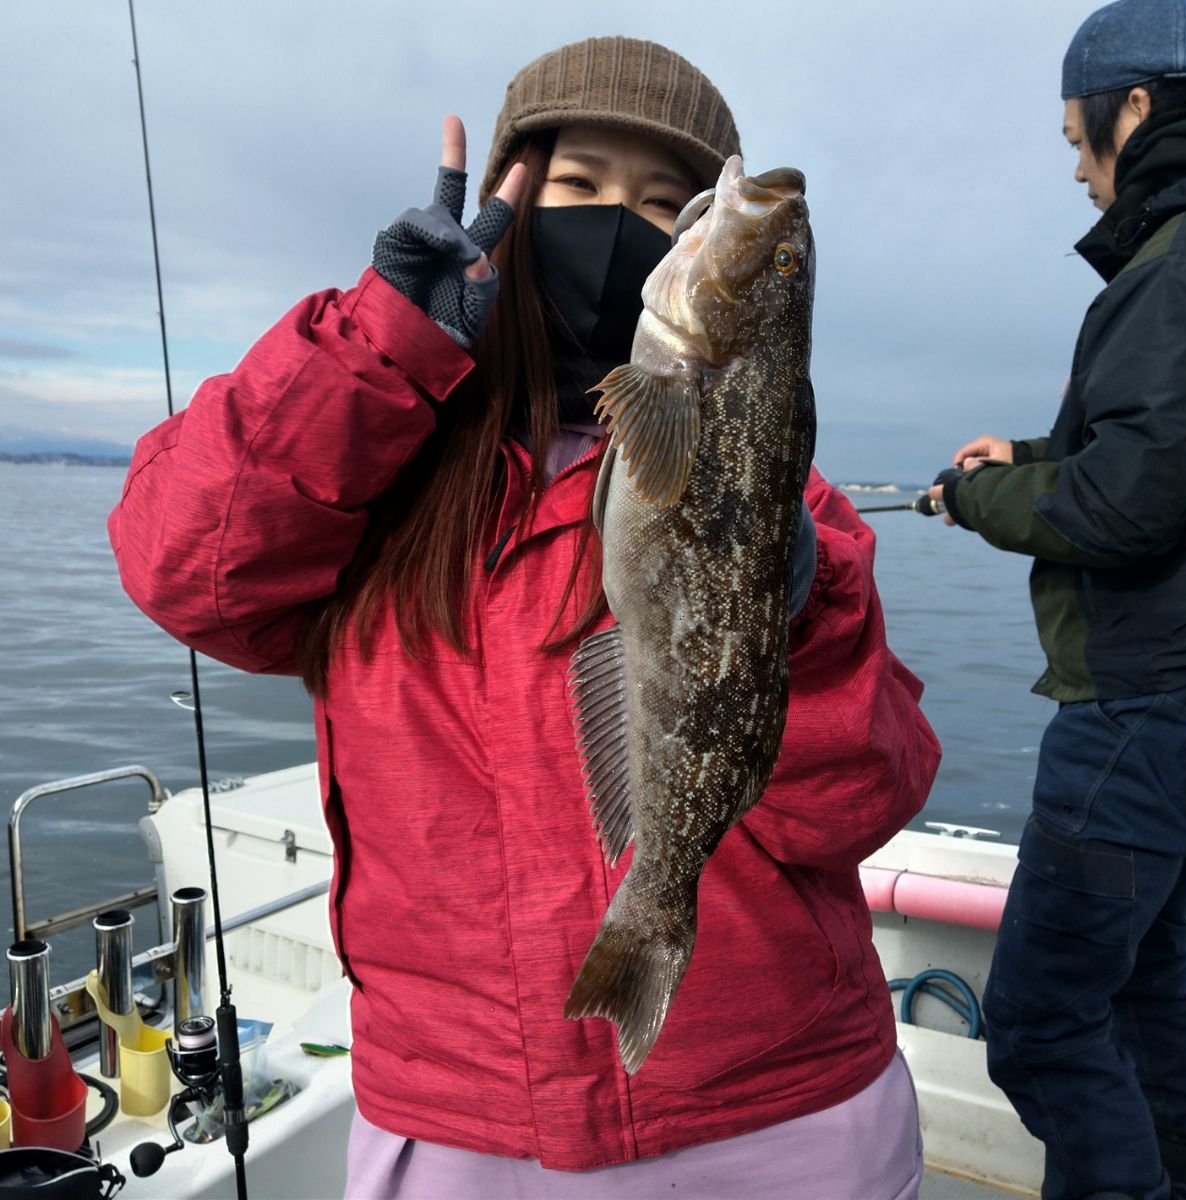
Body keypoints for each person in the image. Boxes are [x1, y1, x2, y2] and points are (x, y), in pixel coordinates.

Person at [110, 35, 940, 1199]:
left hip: (781, 1110)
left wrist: (797, 613)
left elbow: (864, 798)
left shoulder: (792, 511)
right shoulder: (379, 462)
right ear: (509, 197)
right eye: (580, 184)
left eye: (666, 199)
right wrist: (382, 341)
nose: (618, 223)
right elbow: (183, 567)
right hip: (460, 1126)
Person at [929, 2, 1186, 1197]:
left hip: (1138, 714)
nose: (1078, 169)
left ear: (1134, 108)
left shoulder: (1172, 268)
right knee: (1147, 985)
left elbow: (1129, 507)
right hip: (1185, 715)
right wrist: (1027, 459)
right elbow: (1162, 450)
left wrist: (974, 500)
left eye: (1074, 137)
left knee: (1039, 1024)